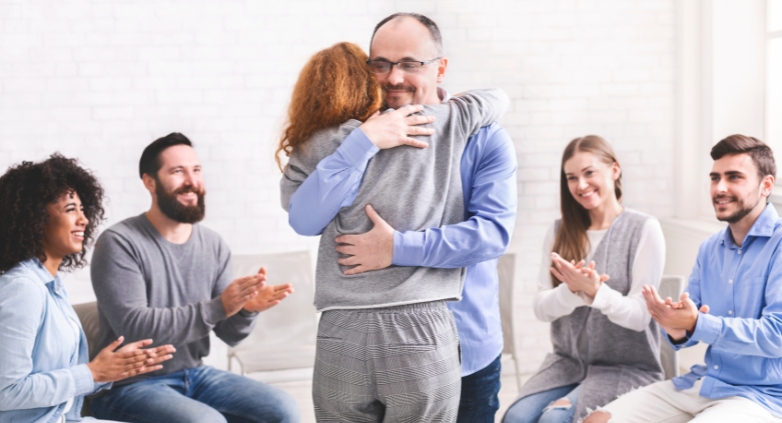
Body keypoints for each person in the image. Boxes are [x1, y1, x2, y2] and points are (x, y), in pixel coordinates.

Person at [281, 12, 517, 422]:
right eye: (381, 64)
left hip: (467, 342)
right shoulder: (354, 137)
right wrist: (362, 143)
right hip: (363, 341)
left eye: (410, 64)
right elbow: (304, 218)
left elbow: (492, 235)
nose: (393, 78)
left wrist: (396, 248)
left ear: (440, 68)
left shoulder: (483, 137)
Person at [88, 134, 299, 423]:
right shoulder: (119, 243)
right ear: (150, 182)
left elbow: (229, 334)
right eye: (177, 171)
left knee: (283, 408)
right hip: (127, 384)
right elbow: (135, 328)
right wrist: (219, 307)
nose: (191, 181)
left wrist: (246, 309)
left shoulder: (213, 245)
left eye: (196, 170)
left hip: (194, 374)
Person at [585, 134, 782, 423]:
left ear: (766, 185)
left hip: (763, 396)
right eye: (715, 178)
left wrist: (698, 324)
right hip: (705, 383)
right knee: (597, 421)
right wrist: (675, 325)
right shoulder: (710, 248)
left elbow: (777, 336)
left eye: (734, 177)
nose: (720, 188)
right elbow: (685, 335)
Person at [502, 135, 666, 423]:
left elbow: (641, 315)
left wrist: (597, 293)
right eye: (572, 178)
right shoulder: (559, 231)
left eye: (589, 173)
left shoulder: (644, 229)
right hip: (567, 363)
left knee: (554, 420)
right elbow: (541, 308)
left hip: (625, 368)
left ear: (614, 171)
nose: (581, 185)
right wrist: (574, 292)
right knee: (515, 417)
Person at [0, 154, 175, 423]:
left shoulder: (51, 286)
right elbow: (5, 392)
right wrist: (92, 373)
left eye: (83, 209)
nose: (84, 220)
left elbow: (60, 380)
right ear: (34, 218)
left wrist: (110, 371)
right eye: (71, 209)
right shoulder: (23, 289)